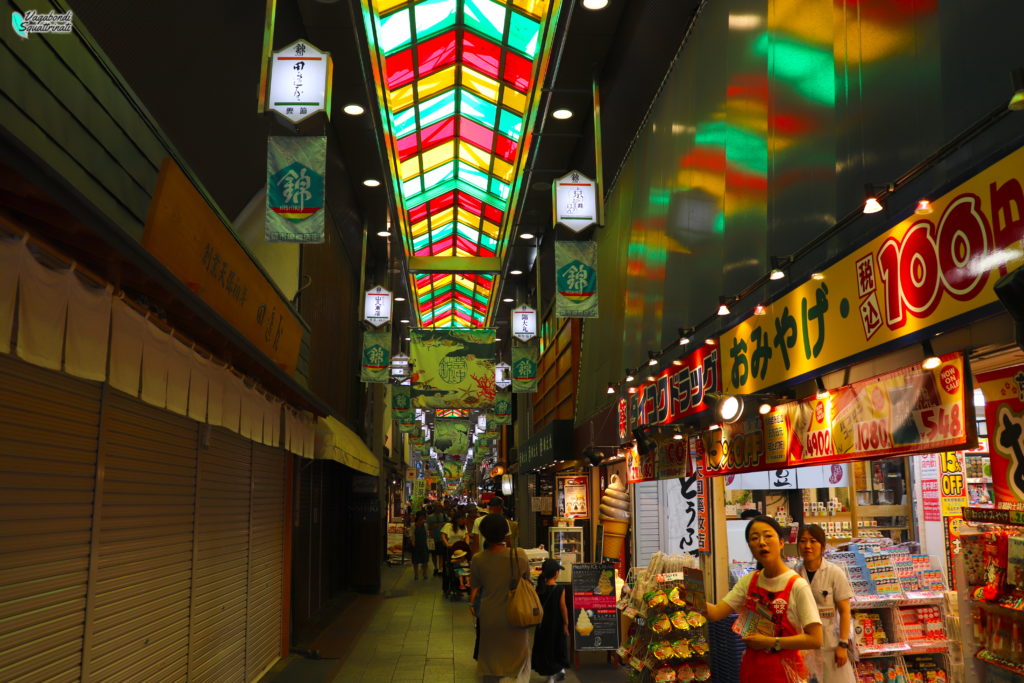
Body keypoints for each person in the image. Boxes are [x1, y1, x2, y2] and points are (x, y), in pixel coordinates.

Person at [706, 515, 823, 682]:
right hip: (752, 671)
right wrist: (689, 597)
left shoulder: (797, 585)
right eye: (754, 538)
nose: (761, 542)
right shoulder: (749, 581)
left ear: (781, 542)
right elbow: (716, 612)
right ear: (750, 547)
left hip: (786, 673)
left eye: (768, 536)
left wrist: (770, 642)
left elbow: (815, 639)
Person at [470, 513, 531, 682]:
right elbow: (527, 580)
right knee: (516, 659)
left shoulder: (478, 559)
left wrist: (472, 604)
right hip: (516, 614)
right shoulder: (519, 555)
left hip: (490, 615)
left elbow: (475, 586)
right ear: (506, 532)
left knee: (492, 660)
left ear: (484, 533)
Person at [795, 524, 856, 683]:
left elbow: (844, 611)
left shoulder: (834, 573)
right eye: (803, 541)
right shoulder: (794, 573)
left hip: (831, 644)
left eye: (813, 541)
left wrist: (843, 643)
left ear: (822, 545)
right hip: (803, 645)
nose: (807, 546)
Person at [531, 558, 569, 682]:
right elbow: (563, 607)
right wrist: (566, 623)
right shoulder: (559, 589)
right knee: (557, 647)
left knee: (545, 648)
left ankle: (551, 674)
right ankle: (556, 672)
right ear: (556, 573)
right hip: (556, 624)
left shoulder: (539, 588)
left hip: (542, 625)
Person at [426, 503, 446, 575]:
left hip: (441, 538)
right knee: (434, 554)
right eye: (436, 507)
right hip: (433, 538)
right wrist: (432, 527)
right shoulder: (430, 517)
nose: (438, 508)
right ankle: (435, 567)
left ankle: (440, 568)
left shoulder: (443, 516)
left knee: (441, 554)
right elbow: (427, 527)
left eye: (439, 507)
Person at [410, 511, 430, 580]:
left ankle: (425, 573)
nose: (423, 518)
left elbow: (427, 534)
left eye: (423, 516)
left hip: (424, 544)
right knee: (415, 561)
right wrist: (412, 542)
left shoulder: (425, 525)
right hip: (416, 544)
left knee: (425, 560)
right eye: (421, 516)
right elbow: (411, 534)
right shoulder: (413, 525)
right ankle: (416, 574)